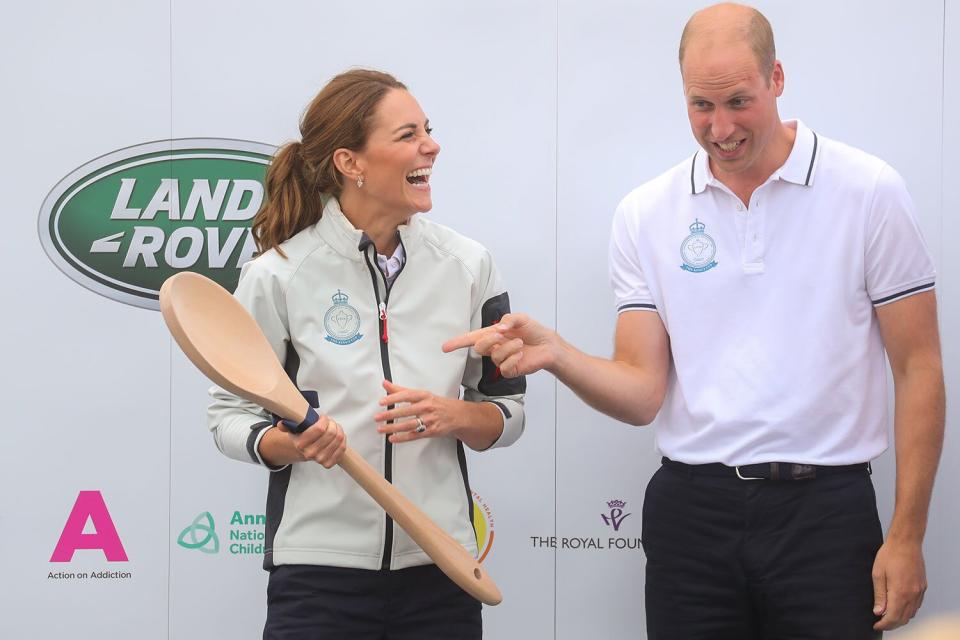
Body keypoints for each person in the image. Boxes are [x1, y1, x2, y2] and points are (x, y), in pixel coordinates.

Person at [445, 3, 943, 638]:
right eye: (701, 106)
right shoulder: (646, 213)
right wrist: (558, 353)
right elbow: (642, 393)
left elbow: (919, 366)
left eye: (739, 101)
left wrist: (907, 534)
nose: (721, 127)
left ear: (778, 79)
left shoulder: (869, 191)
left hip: (826, 513)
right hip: (692, 515)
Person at [207, 69, 525, 640]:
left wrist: (457, 416)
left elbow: (508, 412)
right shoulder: (277, 274)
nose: (431, 145)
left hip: (442, 569)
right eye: (407, 135)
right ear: (349, 163)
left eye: (428, 130)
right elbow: (228, 418)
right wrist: (289, 445)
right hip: (318, 580)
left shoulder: (469, 265)